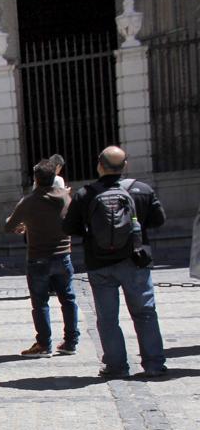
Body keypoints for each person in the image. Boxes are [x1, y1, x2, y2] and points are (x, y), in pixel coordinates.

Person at [62, 145, 167, 377]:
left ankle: (116, 366)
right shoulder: (142, 190)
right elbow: (159, 220)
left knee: (107, 318)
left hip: (100, 263)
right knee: (145, 313)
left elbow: (68, 227)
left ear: (99, 165)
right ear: (125, 166)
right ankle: (153, 365)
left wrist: (94, 232)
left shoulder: (85, 194)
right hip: (136, 260)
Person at [4, 160, 79, 357]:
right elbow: (71, 221)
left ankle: (44, 344)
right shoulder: (65, 197)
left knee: (40, 303)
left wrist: (26, 225)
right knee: (68, 299)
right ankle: (71, 341)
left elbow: (8, 225)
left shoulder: (29, 201)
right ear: (54, 177)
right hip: (63, 256)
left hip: (38, 258)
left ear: (36, 179)